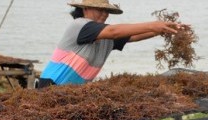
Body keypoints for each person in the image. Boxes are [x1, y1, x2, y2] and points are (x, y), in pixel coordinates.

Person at [38, 0, 186, 88]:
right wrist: (153, 25)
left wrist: (164, 30)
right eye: (100, 9)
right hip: (53, 84)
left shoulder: (104, 36)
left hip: (74, 89)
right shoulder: (80, 25)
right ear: (85, 9)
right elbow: (114, 31)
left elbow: (133, 36)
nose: (104, 13)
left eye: (106, 10)